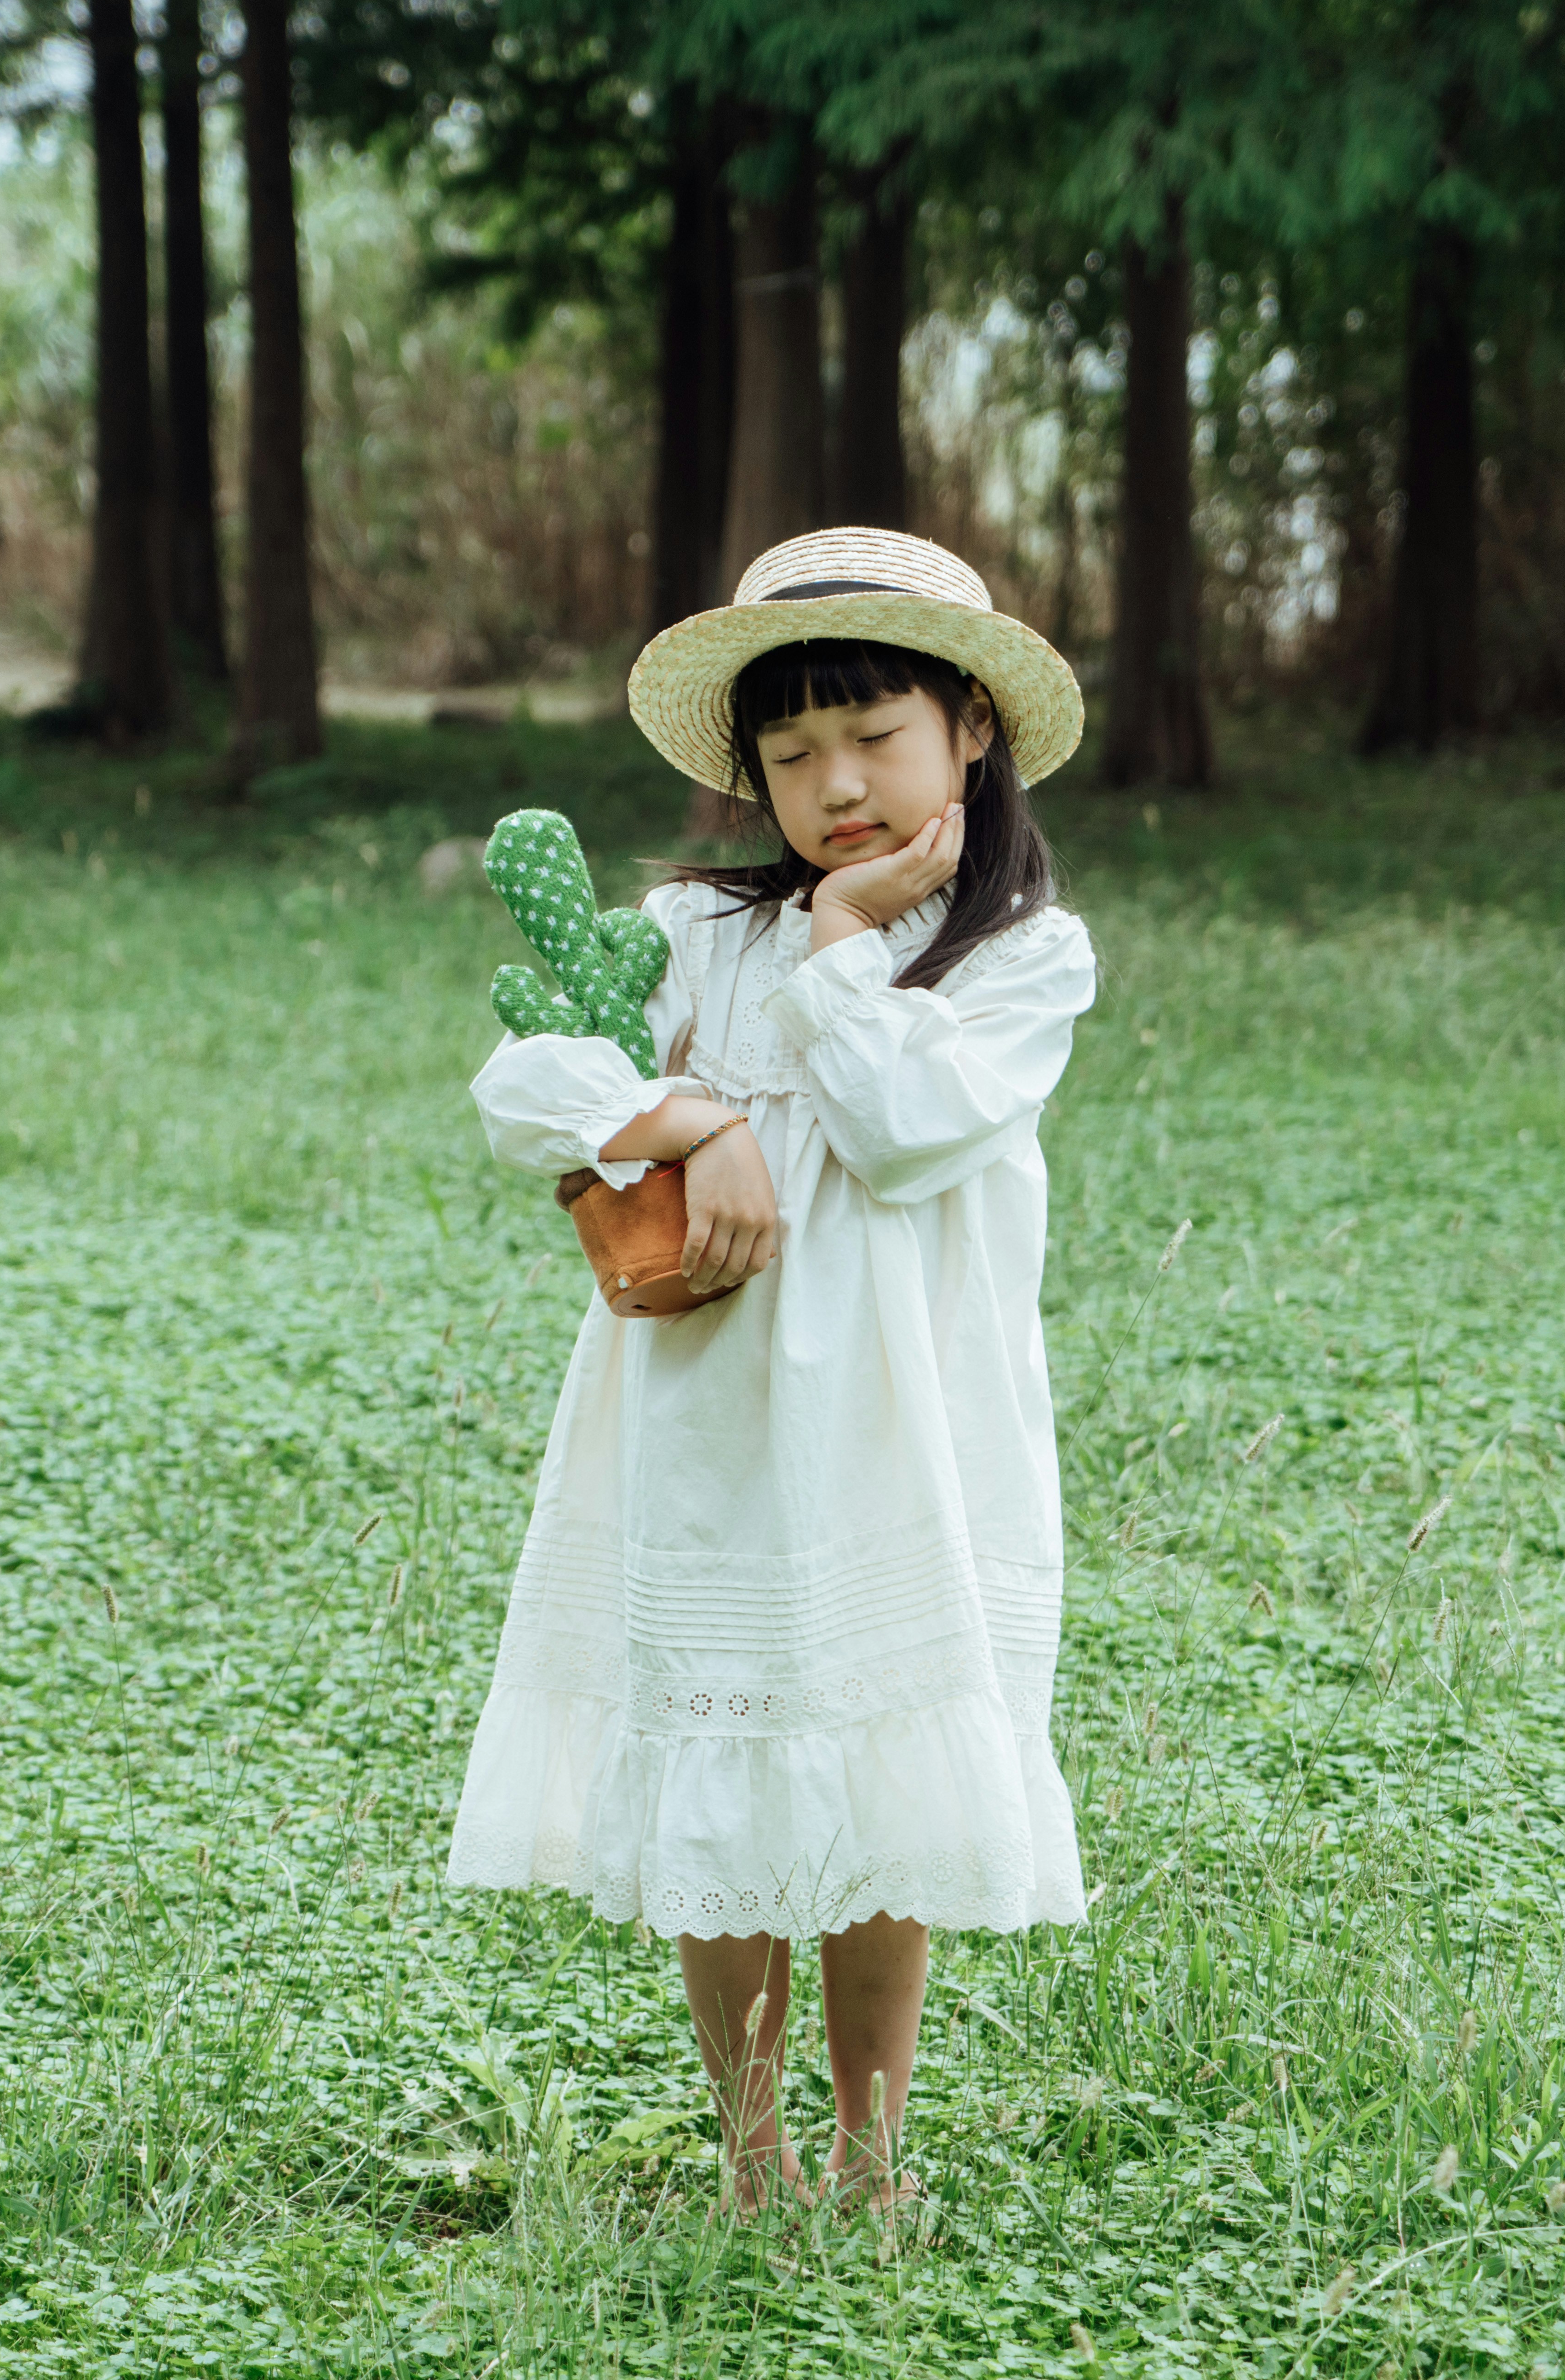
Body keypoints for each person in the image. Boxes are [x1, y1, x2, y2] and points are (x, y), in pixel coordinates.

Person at [451, 527, 1098, 2209]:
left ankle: (873, 2158)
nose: (838, 785)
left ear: (970, 728)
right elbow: (525, 1081)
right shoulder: (690, 933)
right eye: (794, 755)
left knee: (879, 1784)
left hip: (901, 1429)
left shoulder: (1020, 959)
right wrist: (690, 1116)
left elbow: (900, 1129)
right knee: (726, 1783)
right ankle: (755, 2153)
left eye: (874, 737)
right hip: (715, 1426)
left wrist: (839, 948)